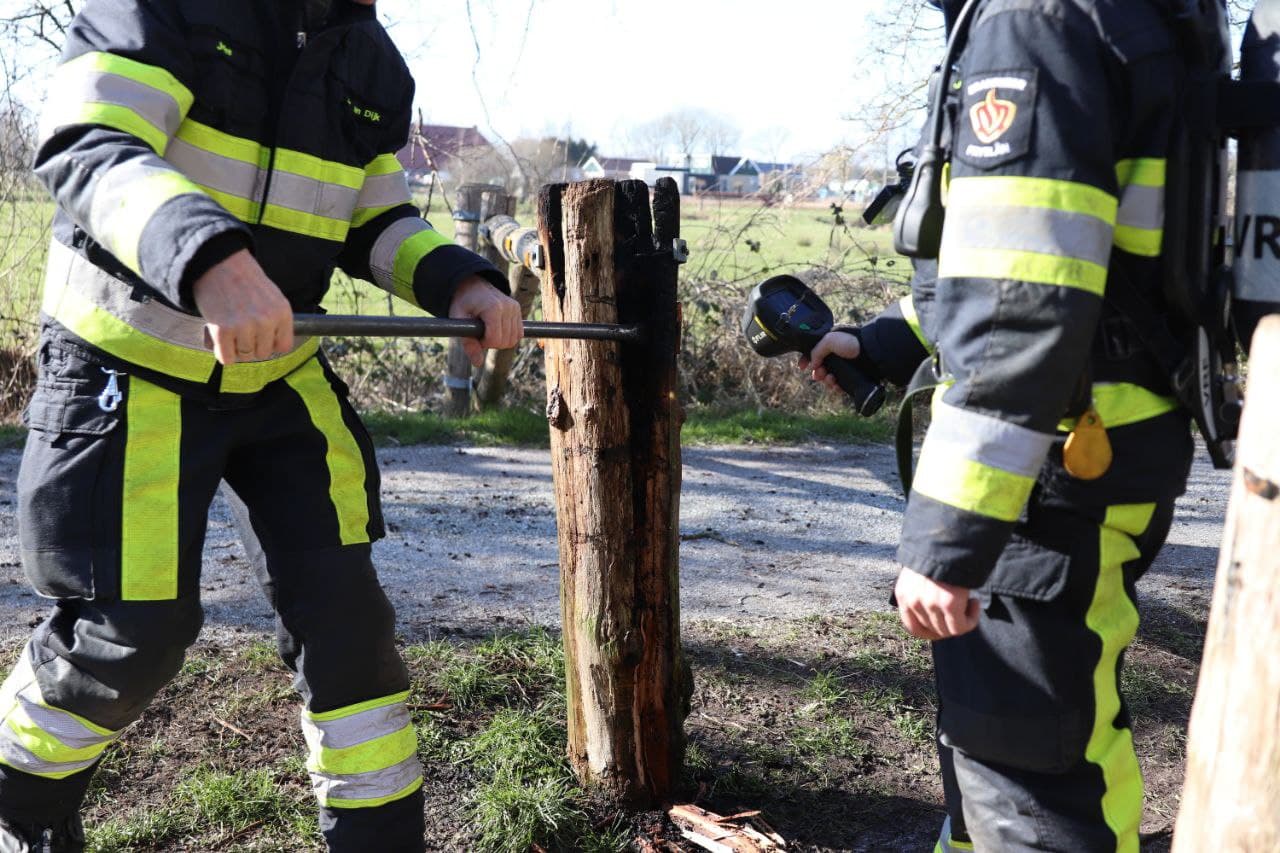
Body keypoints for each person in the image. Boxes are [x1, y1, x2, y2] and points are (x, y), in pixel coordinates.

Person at [2, 0, 522, 850]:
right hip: (126, 360)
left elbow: (374, 217)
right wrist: (208, 258)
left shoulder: (368, 56)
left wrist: (459, 283)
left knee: (348, 627)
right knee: (130, 635)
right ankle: (16, 805)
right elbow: (86, 141)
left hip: (277, 373)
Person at [802, 0, 1199, 849]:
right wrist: (883, 341)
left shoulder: (1033, 24)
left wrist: (949, 539)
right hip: (1082, 446)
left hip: (1047, 481)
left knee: (1034, 785)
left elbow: (1023, 306)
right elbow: (1021, 262)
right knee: (1000, 773)